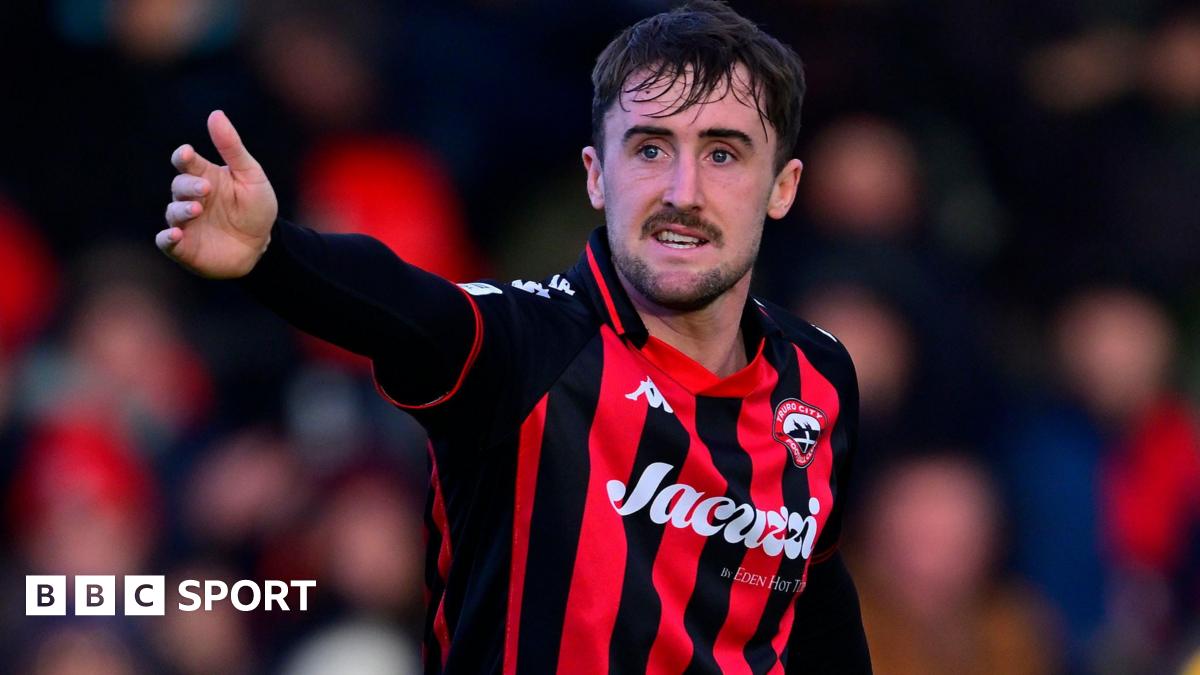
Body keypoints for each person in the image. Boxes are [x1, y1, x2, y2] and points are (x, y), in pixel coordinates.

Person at [157, 2, 871, 672]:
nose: (683, 191)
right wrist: (273, 255)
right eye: (651, 149)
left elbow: (812, 607)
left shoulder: (821, 375)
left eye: (722, 154)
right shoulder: (526, 345)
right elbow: (401, 304)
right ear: (597, 176)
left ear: (782, 187)